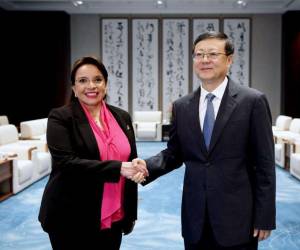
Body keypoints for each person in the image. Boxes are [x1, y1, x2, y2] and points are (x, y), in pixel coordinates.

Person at [132, 32, 276, 250]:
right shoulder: (182, 106)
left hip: (238, 218)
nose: (205, 60)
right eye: (199, 54)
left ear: (229, 59)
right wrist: (147, 166)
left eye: (212, 54)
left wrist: (264, 216)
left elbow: (264, 164)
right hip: (195, 217)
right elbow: (174, 153)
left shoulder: (252, 101)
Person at [38, 56, 147, 250]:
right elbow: (66, 163)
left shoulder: (122, 116)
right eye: (82, 80)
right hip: (71, 215)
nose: (91, 86)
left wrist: (130, 212)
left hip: (115, 214)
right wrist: (120, 168)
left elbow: (130, 160)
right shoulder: (61, 117)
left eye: (98, 79)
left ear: (105, 84)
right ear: (73, 87)